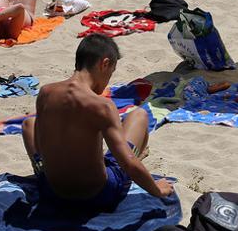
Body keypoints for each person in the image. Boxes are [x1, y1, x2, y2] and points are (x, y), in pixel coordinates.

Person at [21, 34, 174, 211]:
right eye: (112, 71)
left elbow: (41, 146)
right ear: (105, 63)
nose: (109, 78)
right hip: (97, 195)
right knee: (139, 116)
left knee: (29, 124)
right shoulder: (101, 106)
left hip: (53, 192)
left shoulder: (45, 93)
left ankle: (40, 172)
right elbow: (129, 163)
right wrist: (156, 189)